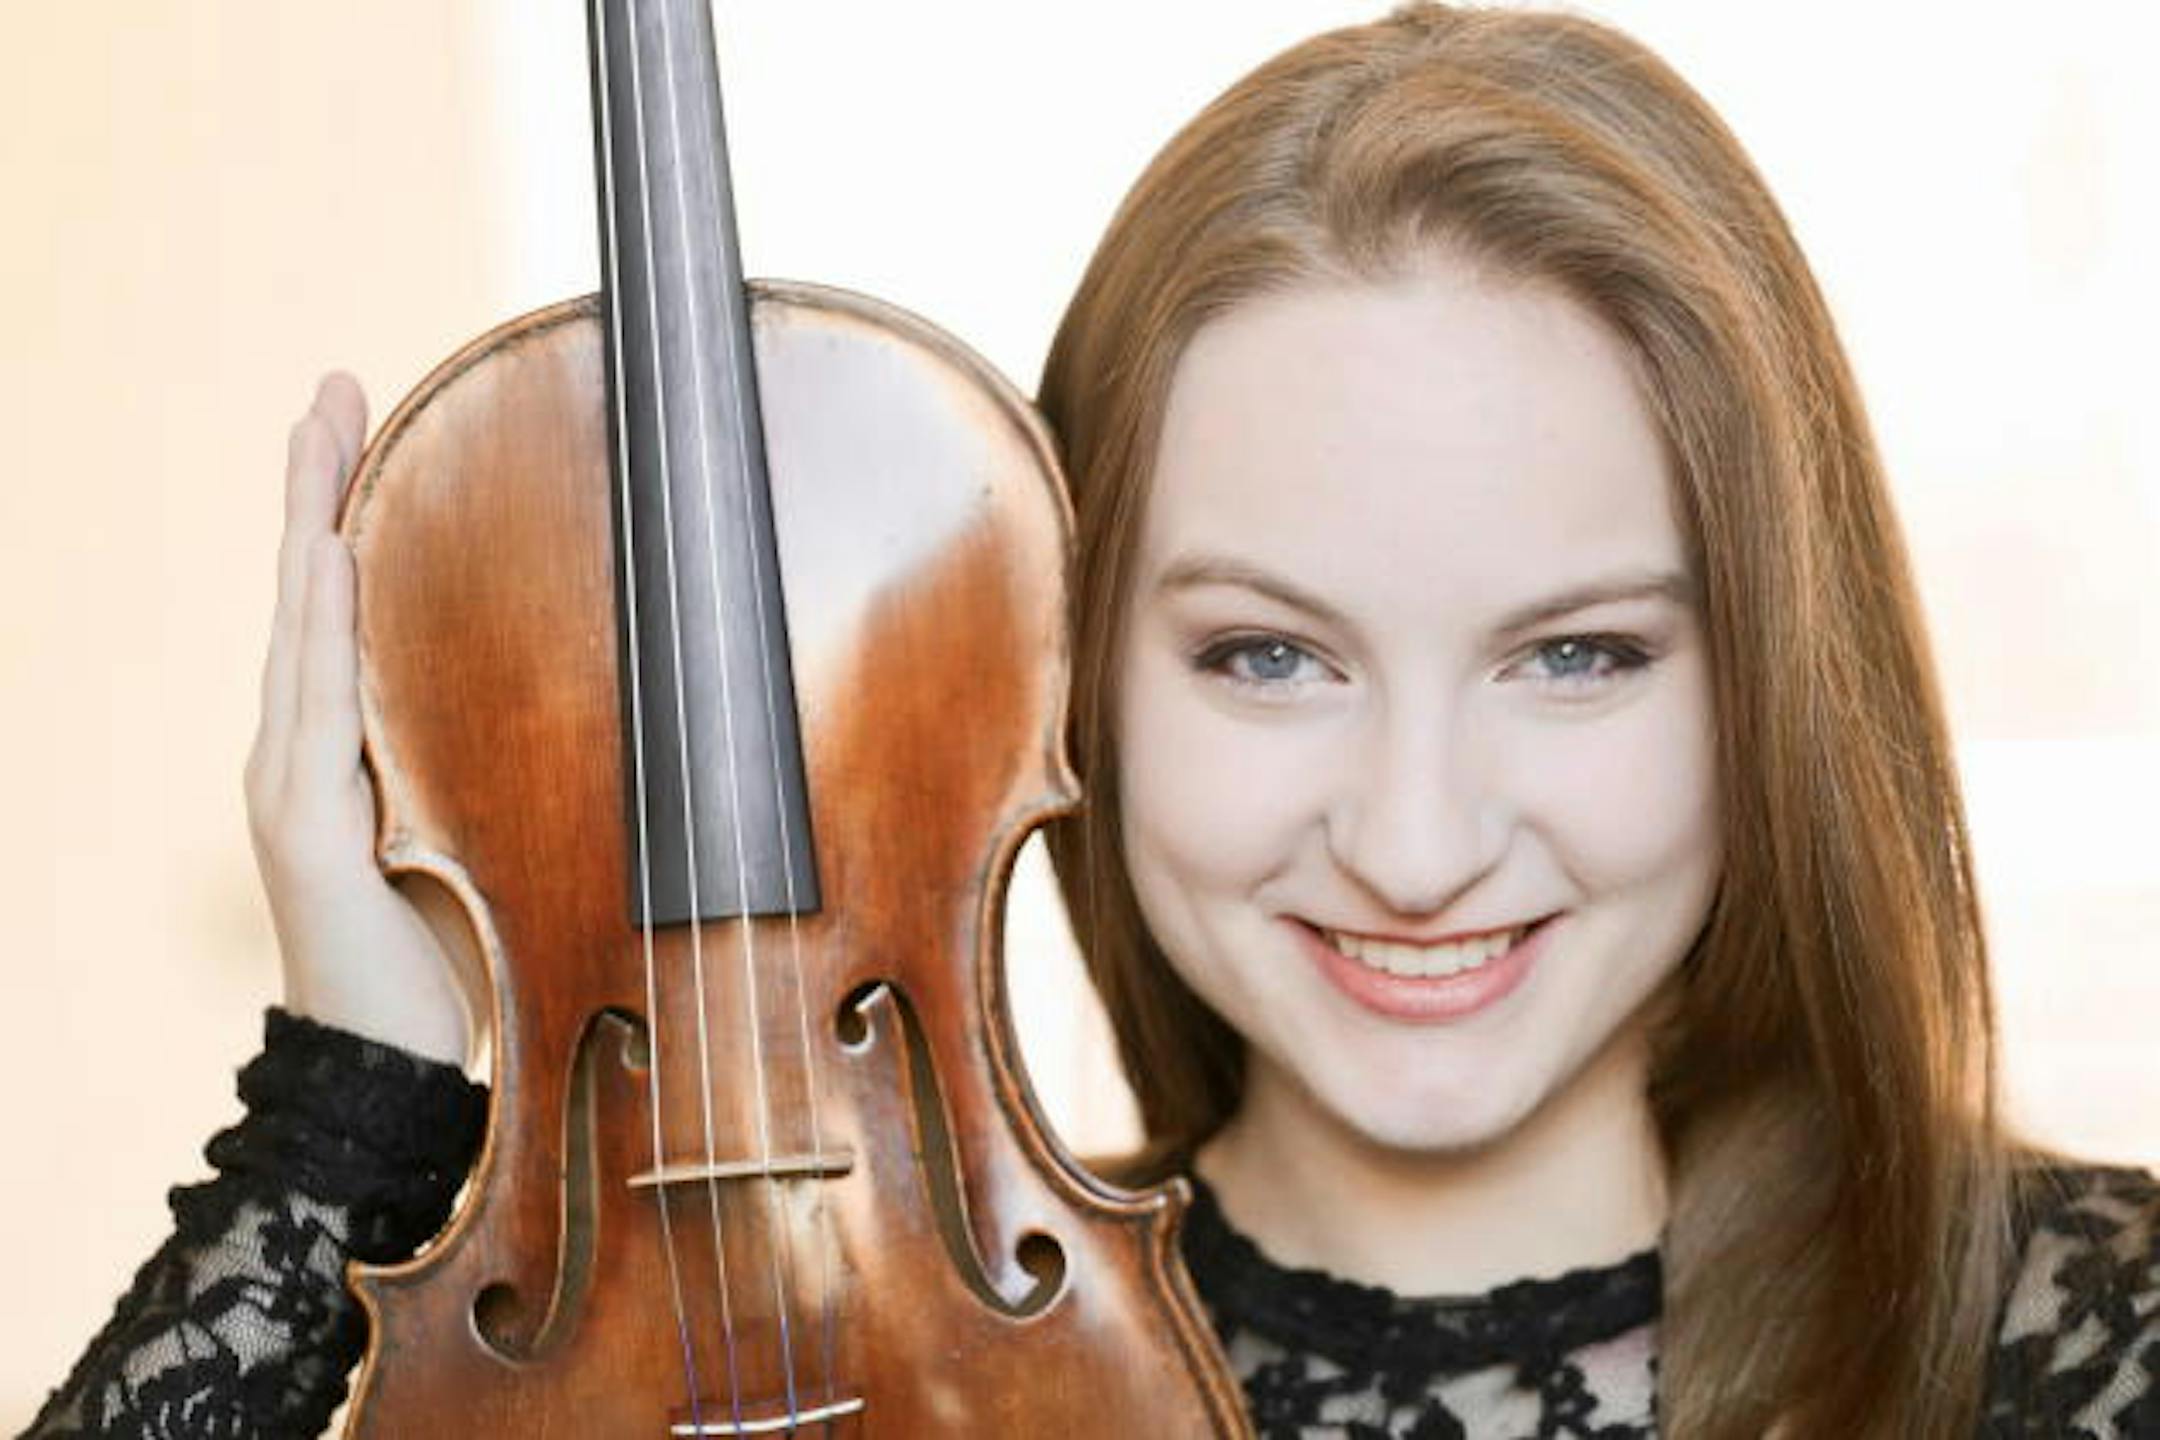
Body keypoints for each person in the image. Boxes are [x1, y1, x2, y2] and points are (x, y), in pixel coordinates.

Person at [25, 5, 2159, 1437]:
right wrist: (360, 1093)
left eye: (1578, 656)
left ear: (1769, 678)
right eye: (1269, 657)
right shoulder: (825, 1380)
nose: (1417, 842)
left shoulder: (2096, 1345)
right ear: (1058, 676)